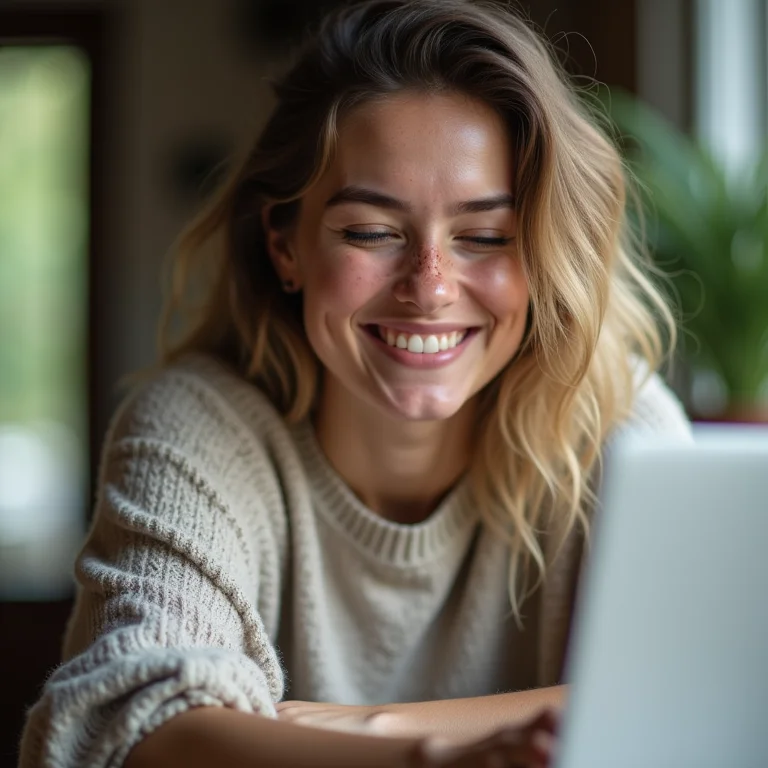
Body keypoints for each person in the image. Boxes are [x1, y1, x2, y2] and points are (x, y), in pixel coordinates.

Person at [19, 1, 691, 766]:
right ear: (286, 247)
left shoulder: (617, 425)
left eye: (485, 237)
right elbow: (127, 726)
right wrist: (438, 758)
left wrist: (370, 725)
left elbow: (699, 691)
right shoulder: (197, 426)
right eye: (371, 231)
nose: (430, 288)